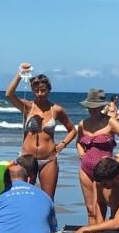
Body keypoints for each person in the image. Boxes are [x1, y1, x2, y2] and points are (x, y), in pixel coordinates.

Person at [5, 64, 76, 199]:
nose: (39, 94)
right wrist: (20, 74)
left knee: (47, 199)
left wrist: (63, 144)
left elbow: (72, 130)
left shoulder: (56, 110)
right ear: (32, 90)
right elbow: (9, 94)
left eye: (43, 90)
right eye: (36, 90)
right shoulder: (27, 107)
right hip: (26, 159)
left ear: (49, 90)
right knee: (23, 197)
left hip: (48, 159)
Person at [73, 88, 119, 225]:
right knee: (91, 209)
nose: (92, 110)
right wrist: (81, 153)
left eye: (95, 107)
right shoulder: (83, 124)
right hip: (85, 169)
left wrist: (117, 159)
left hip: (105, 172)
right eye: (90, 106)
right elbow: (78, 142)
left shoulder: (111, 122)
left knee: (109, 207)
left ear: (102, 106)